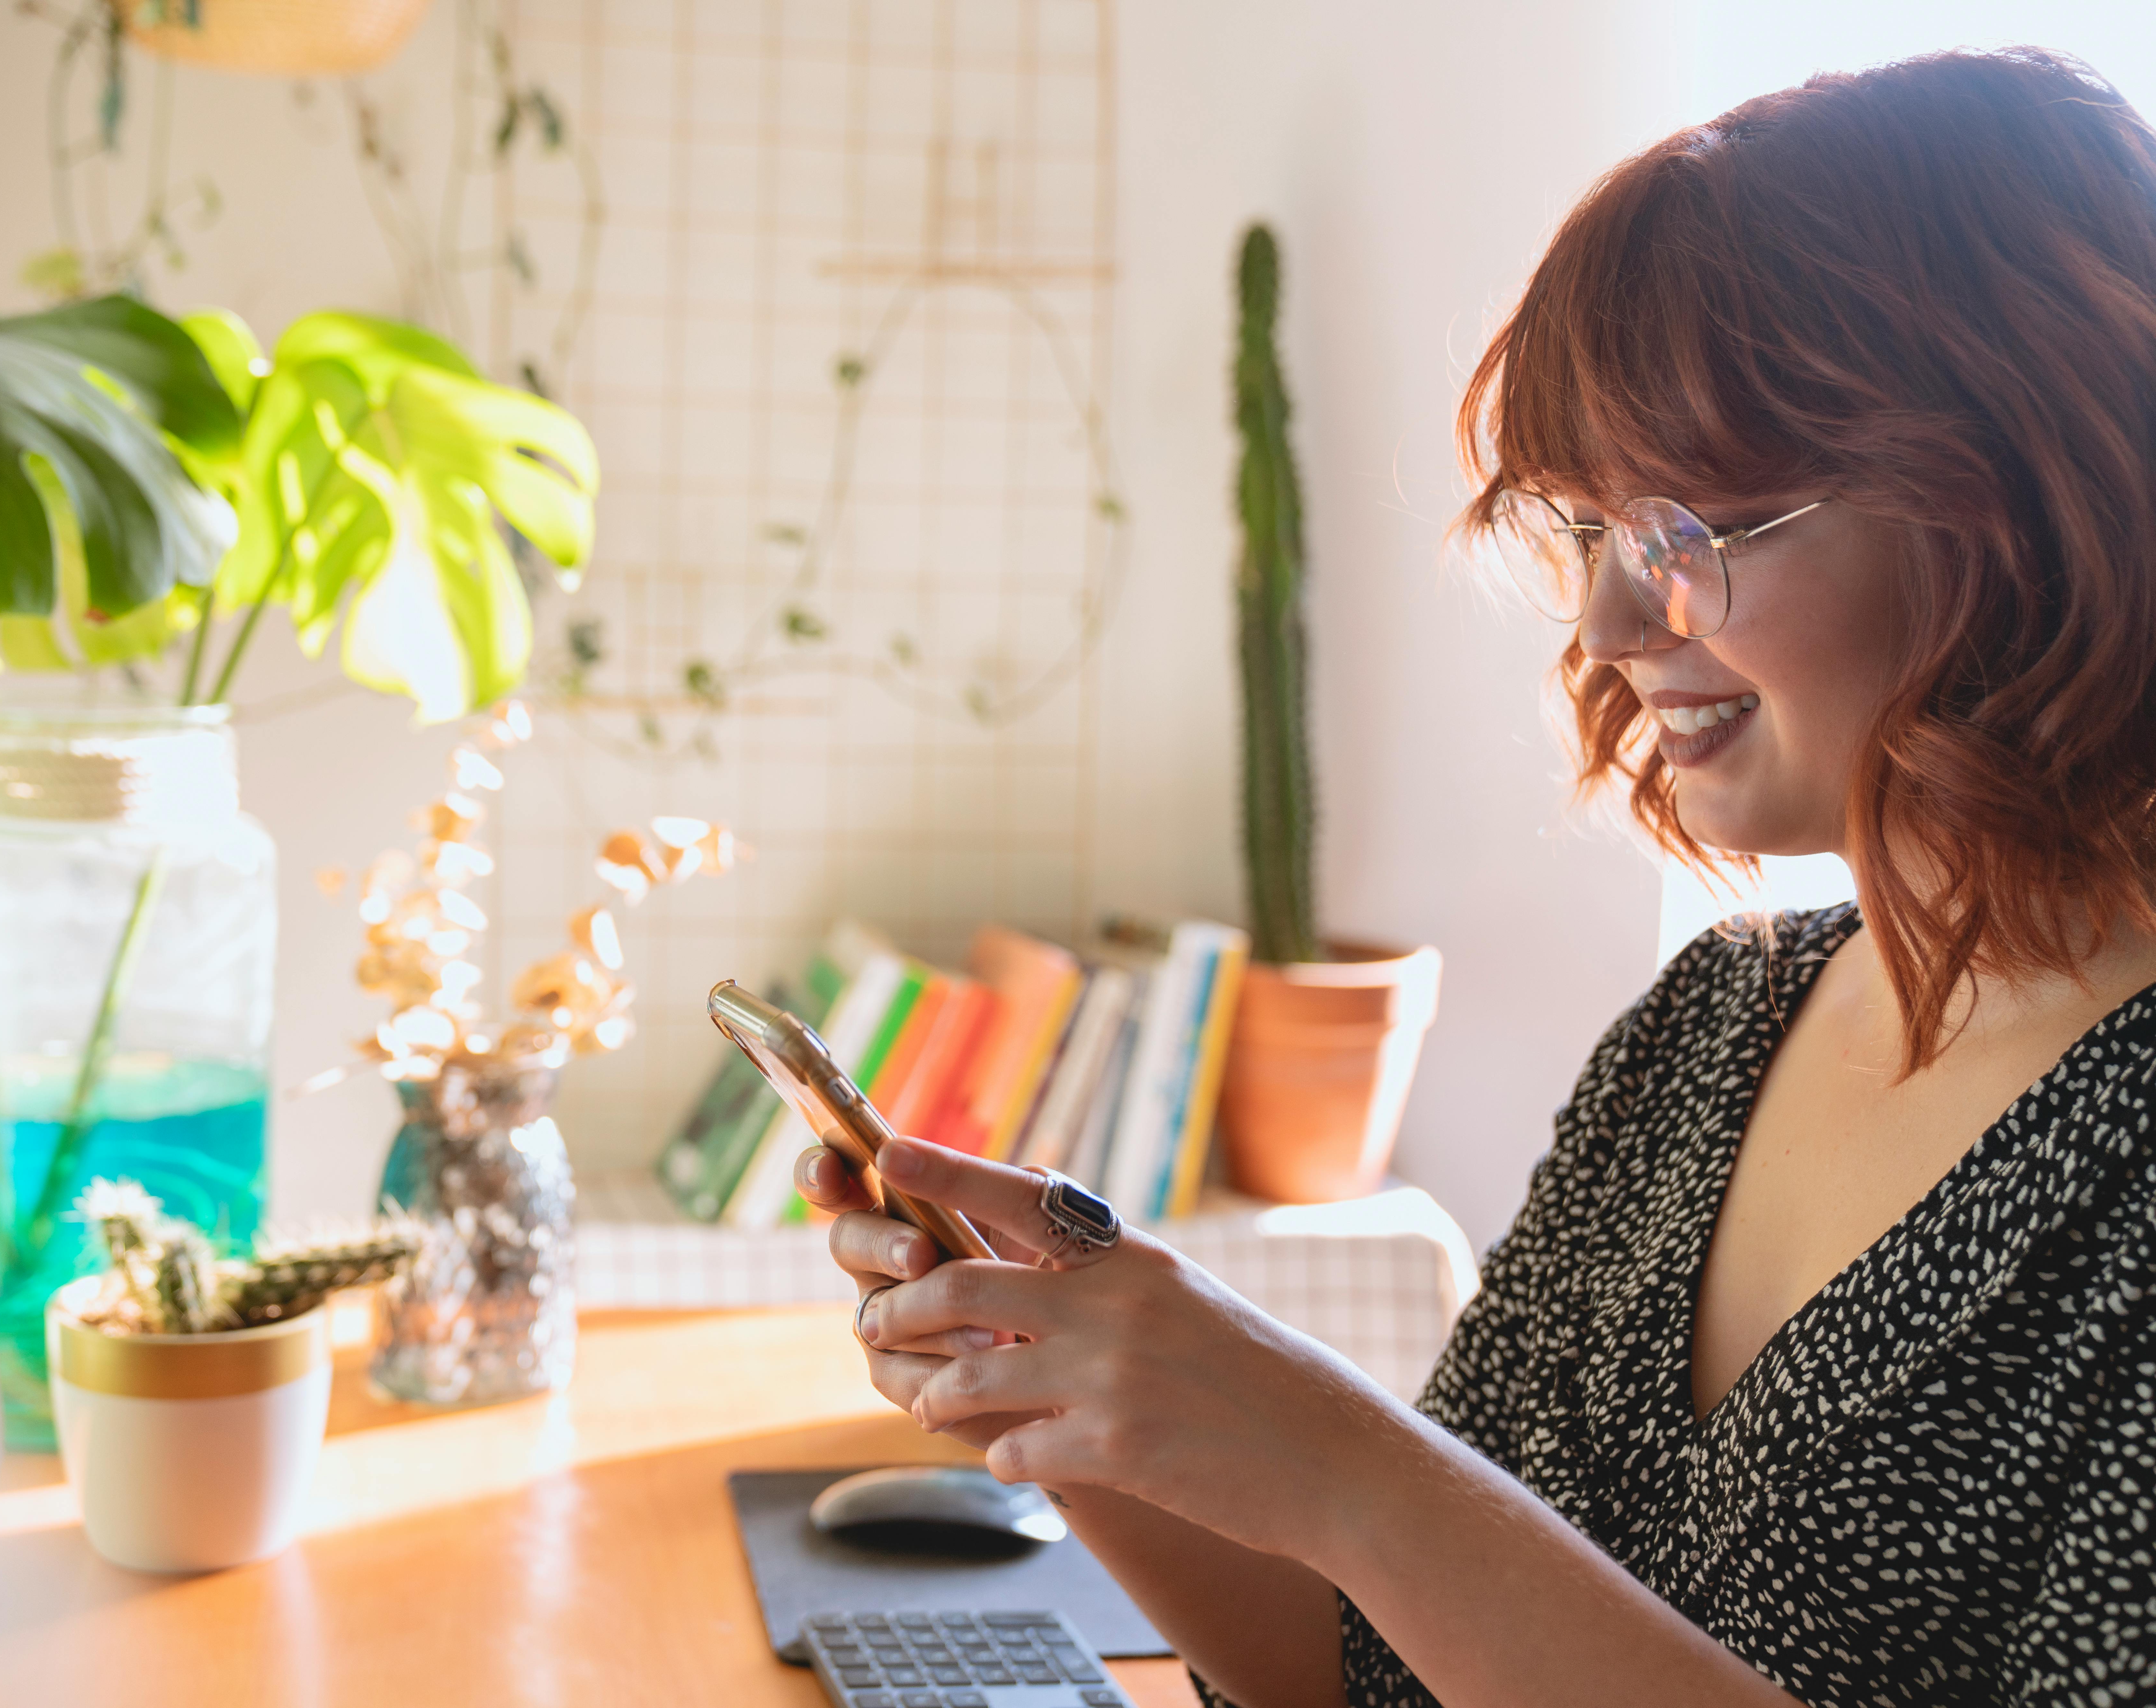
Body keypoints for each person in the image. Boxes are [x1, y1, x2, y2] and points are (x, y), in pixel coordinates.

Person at [793, 48, 2156, 1708]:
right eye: (1590, 531)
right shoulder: (1710, 1033)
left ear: (2025, 485)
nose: (1608, 627)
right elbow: (1383, 1674)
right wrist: (1067, 1402)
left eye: (1691, 525)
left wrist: (1355, 1475)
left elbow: (1399, 1538)